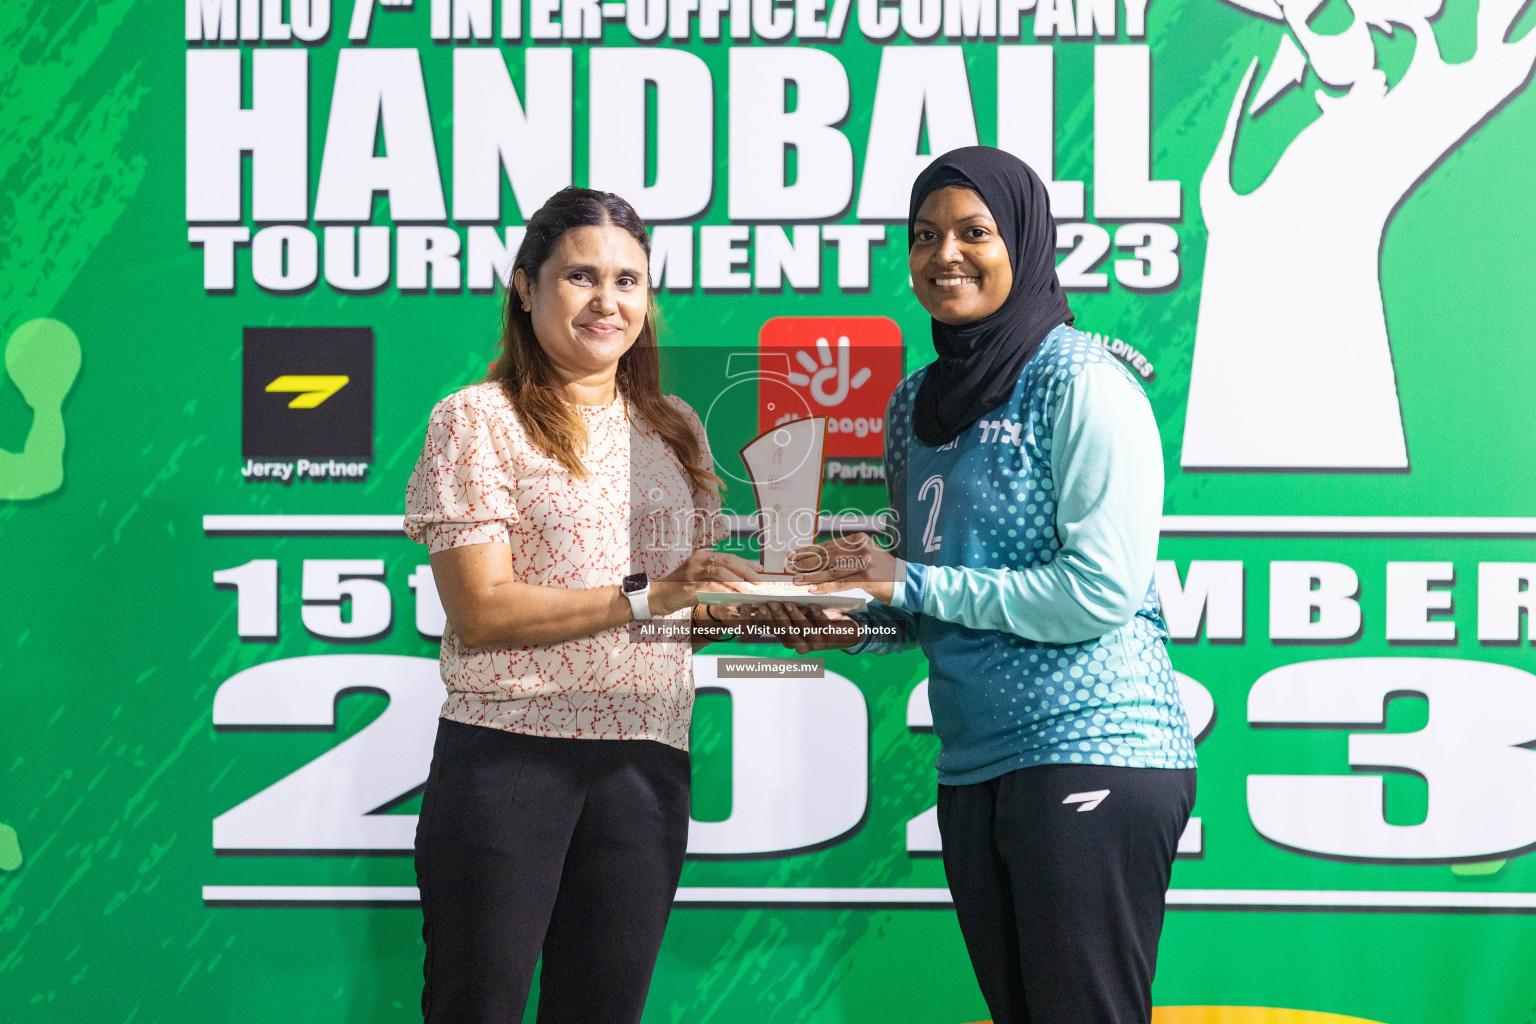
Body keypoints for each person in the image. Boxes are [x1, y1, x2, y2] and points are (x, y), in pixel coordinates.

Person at [766, 147, 1197, 1024]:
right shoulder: (916, 403)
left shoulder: (1082, 382)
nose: (944, 255)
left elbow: (1097, 593)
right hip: (977, 764)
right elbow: (927, 595)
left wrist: (903, 579)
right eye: (925, 236)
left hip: (1095, 746)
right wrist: (842, 622)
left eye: (974, 232)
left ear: (1027, 243)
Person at [403, 186, 758, 1024]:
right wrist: (649, 598)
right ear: (526, 287)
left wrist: (775, 609)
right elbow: (482, 612)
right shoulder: (476, 421)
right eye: (581, 277)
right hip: (509, 760)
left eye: (629, 281)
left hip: (646, 761)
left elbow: (680, 607)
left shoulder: (675, 429)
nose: (609, 302)